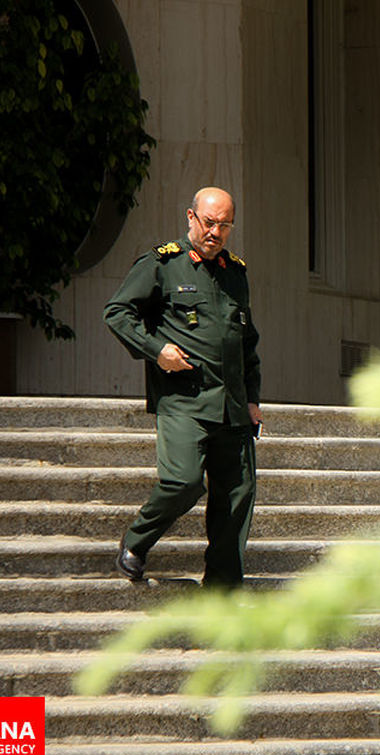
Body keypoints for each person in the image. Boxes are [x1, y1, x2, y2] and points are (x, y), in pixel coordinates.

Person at [103, 187, 262, 589]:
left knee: (236, 497)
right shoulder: (162, 264)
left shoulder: (235, 273)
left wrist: (253, 398)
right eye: (210, 223)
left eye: (225, 225)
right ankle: (136, 541)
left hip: (232, 405)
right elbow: (117, 312)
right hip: (184, 401)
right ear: (191, 217)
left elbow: (246, 343)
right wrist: (157, 351)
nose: (216, 232)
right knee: (183, 483)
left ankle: (223, 587)